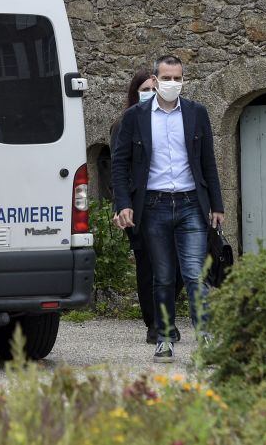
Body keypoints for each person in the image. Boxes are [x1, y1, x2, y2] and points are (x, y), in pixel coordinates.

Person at [110, 55, 224, 363]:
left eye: (177, 78)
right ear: (155, 80)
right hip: (153, 205)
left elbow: (208, 161)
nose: (172, 83)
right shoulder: (135, 117)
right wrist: (123, 204)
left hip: (190, 204)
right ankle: (164, 338)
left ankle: (205, 336)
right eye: (166, 78)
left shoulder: (196, 113)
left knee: (194, 274)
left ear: (183, 80)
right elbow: (119, 164)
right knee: (161, 276)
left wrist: (217, 204)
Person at [109, 69, 182, 345]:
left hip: (169, 203)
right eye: (145, 90)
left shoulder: (169, 122)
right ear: (135, 93)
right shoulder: (125, 123)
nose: (150, 94)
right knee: (148, 266)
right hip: (137, 207)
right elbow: (119, 167)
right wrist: (123, 205)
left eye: (154, 89)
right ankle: (155, 323)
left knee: (177, 266)